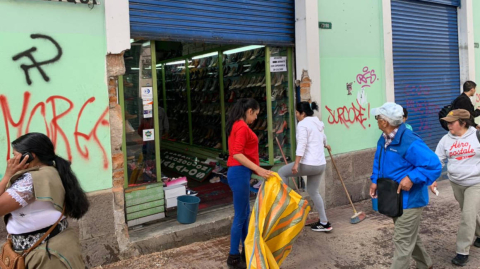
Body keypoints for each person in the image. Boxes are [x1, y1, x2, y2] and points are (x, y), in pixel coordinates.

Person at [369, 102, 441, 269]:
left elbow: (433, 165)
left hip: (410, 200)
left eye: (377, 118)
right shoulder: (384, 138)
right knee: (408, 235)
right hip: (392, 196)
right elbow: (378, 160)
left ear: (385, 122)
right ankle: (425, 263)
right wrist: (374, 180)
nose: (376, 121)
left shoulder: (409, 141)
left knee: (402, 239)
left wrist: (412, 177)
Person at [0, 132, 89, 268]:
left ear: (30, 156)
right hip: (49, 248)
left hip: (46, 253)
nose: (12, 160)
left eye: (15, 155)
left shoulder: (32, 180)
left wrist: (7, 176)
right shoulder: (50, 170)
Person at [225, 98, 272, 269]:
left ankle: (246, 250)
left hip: (239, 173)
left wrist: (256, 169)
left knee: (245, 214)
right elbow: (237, 153)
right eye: (256, 114)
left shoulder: (236, 124)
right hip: (239, 173)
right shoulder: (242, 127)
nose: (256, 119)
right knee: (240, 216)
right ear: (250, 111)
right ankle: (233, 256)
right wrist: (258, 170)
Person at [433, 109, 480, 267]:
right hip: (456, 183)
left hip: (476, 182)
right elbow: (438, 160)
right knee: (469, 212)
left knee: (467, 216)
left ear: (463, 123)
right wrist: (432, 178)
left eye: (451, 122)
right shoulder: (445, 140)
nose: (448, 125)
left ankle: (462, 251)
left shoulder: (477, 136)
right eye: (447, 122)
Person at [277, 101, 332, 232]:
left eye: (297, 113)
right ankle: (324, 222)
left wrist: (296, 163)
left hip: (309, 164)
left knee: (282, 172)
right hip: (320, 165)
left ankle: (285, 207)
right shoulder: (317, 122)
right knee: (314, 191)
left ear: (302, 113)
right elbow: (323, 137)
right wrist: (326, 145)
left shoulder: (302, 124)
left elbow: (302, 144)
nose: (296, 115)